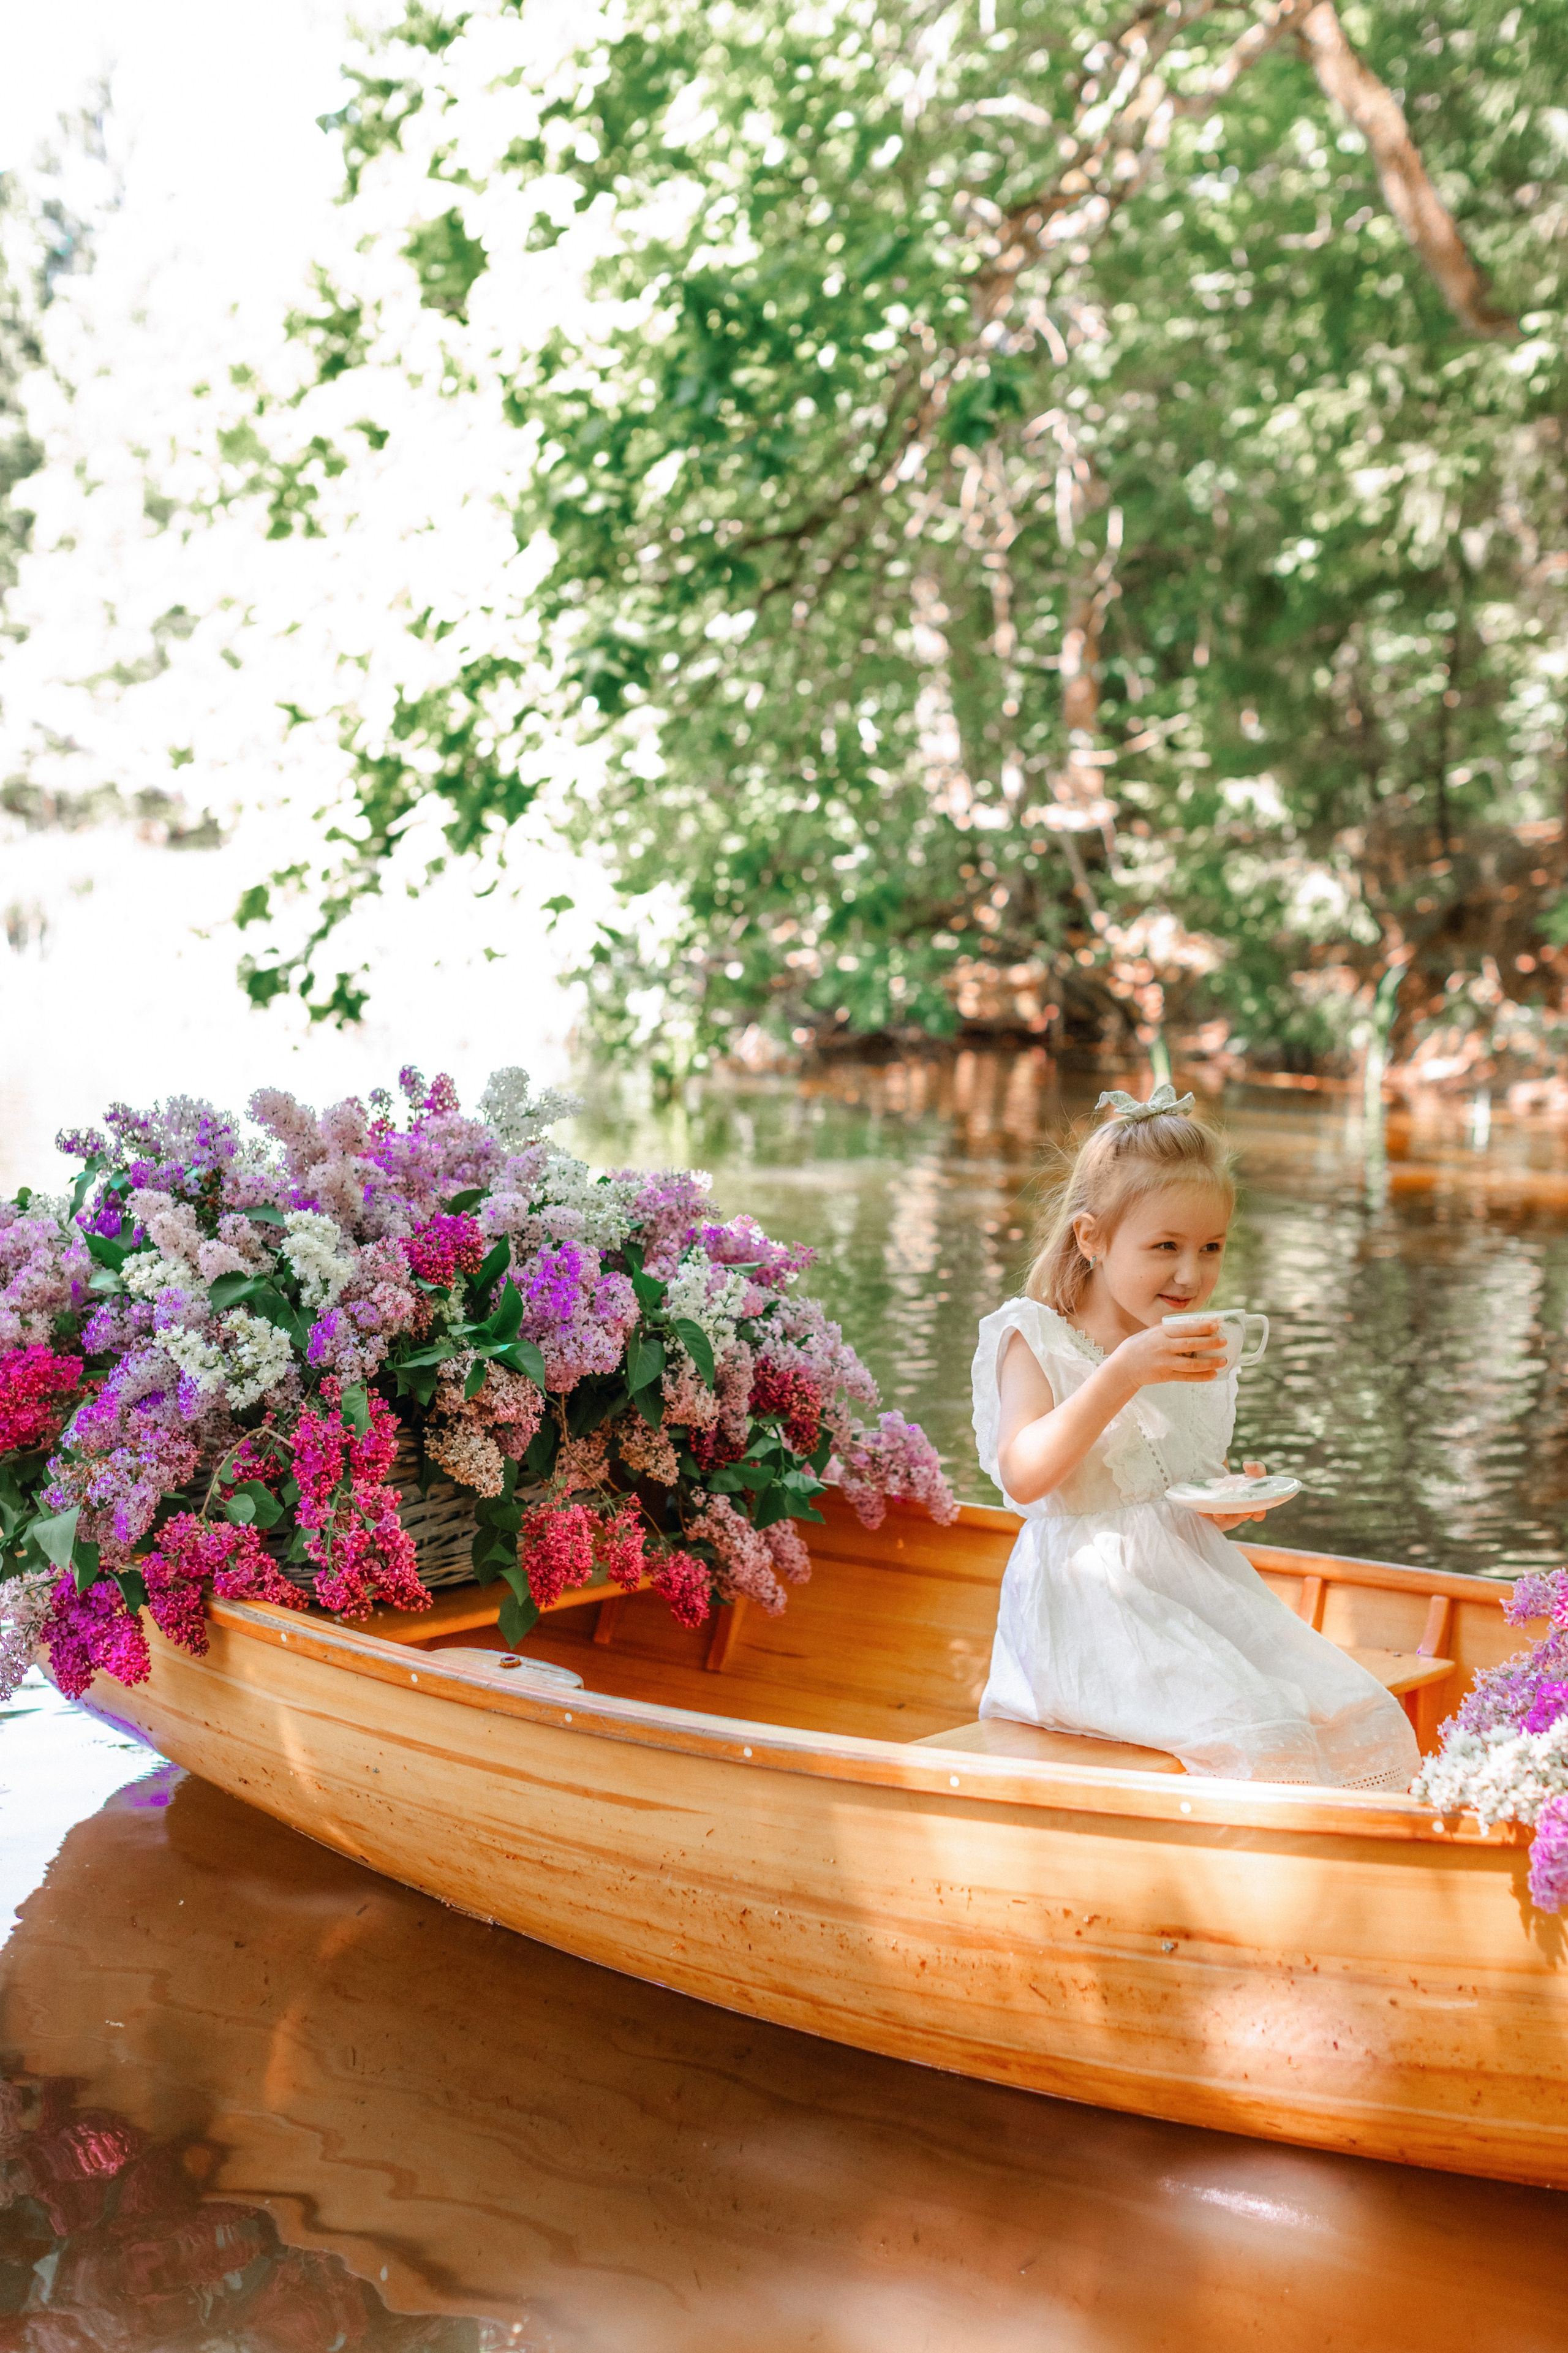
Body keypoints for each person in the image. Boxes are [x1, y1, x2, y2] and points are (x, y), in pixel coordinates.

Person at [971, 1084, 1420, 1788]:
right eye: (1165, 1247)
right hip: (1087, 1611)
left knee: (1358, 1710)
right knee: (1262, 1736)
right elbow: (1022, 1475)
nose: (1191, 1274)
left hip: (1192, 1589)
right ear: (1092, 1238)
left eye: (1210, 1247)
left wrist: (1227, 1499)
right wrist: (1122, 1372)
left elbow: (1163, 1487)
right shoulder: (1037, 1337)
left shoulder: (1184, 1345)